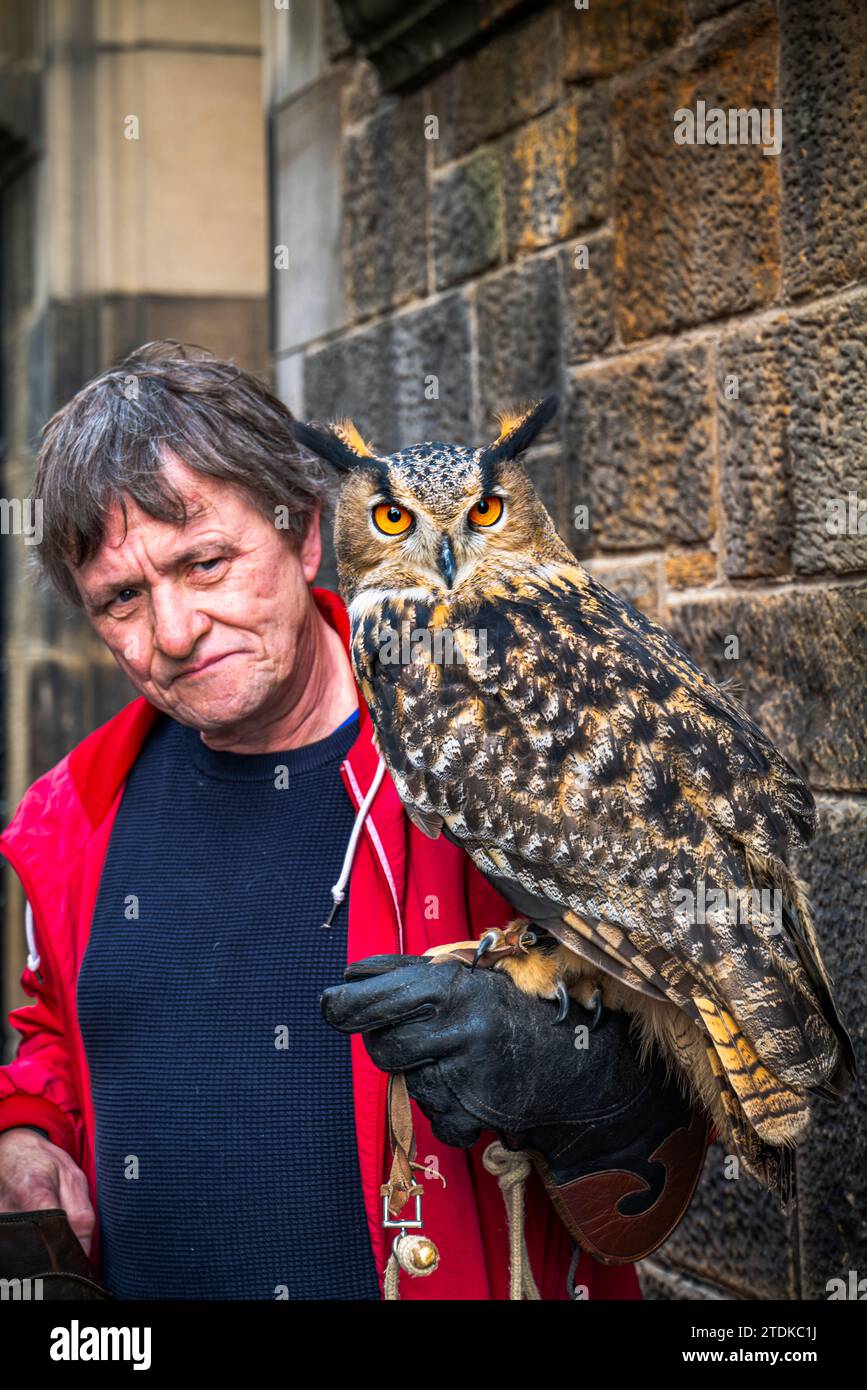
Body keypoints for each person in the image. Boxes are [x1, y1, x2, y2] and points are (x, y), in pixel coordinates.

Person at [0, 342, 711, 1301]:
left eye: (205, 563)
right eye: (123, 599)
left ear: (302, 536)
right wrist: (27, 1131)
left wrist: (571, 1076)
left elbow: (690, 1072)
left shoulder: (495, 756)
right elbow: (56, 1026)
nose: (172, 632)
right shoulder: (74, 817)